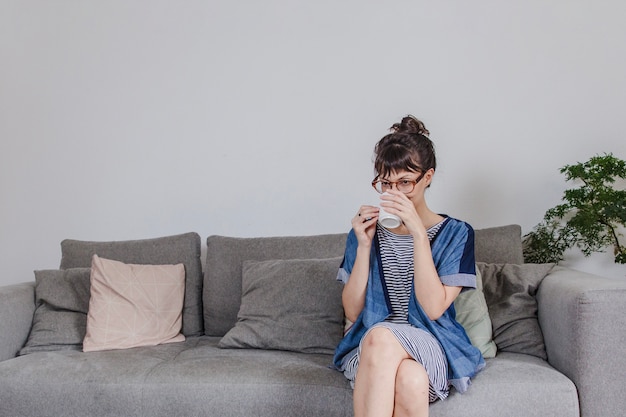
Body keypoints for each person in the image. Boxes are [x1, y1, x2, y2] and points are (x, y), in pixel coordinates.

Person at [333, 115, 484, 417]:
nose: (396, 192)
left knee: (381, 336)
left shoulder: (457, 233)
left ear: (427, 177)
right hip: (372, 353)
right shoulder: (365, 231)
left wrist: (417, 232)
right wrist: (364, 246)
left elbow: (432, 309)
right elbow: (352, 312)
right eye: (386, 183)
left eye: (405, 182)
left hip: (432, 344)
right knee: (410, 378)